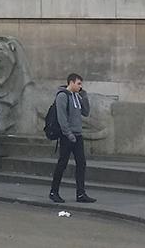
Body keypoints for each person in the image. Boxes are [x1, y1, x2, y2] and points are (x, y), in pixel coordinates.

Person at [49, 73, 96, 204]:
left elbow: (86, 112)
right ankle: (54, 191)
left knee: (81, 164)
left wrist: (84, 96)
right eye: (78, 83)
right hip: (67, 136)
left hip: (78, 135)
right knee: (62, 164)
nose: (80, 86)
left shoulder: (77, 96)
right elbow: (62, 118)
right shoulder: (62, 96)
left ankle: (81, 193)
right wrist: (68, 134)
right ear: (71, 83)